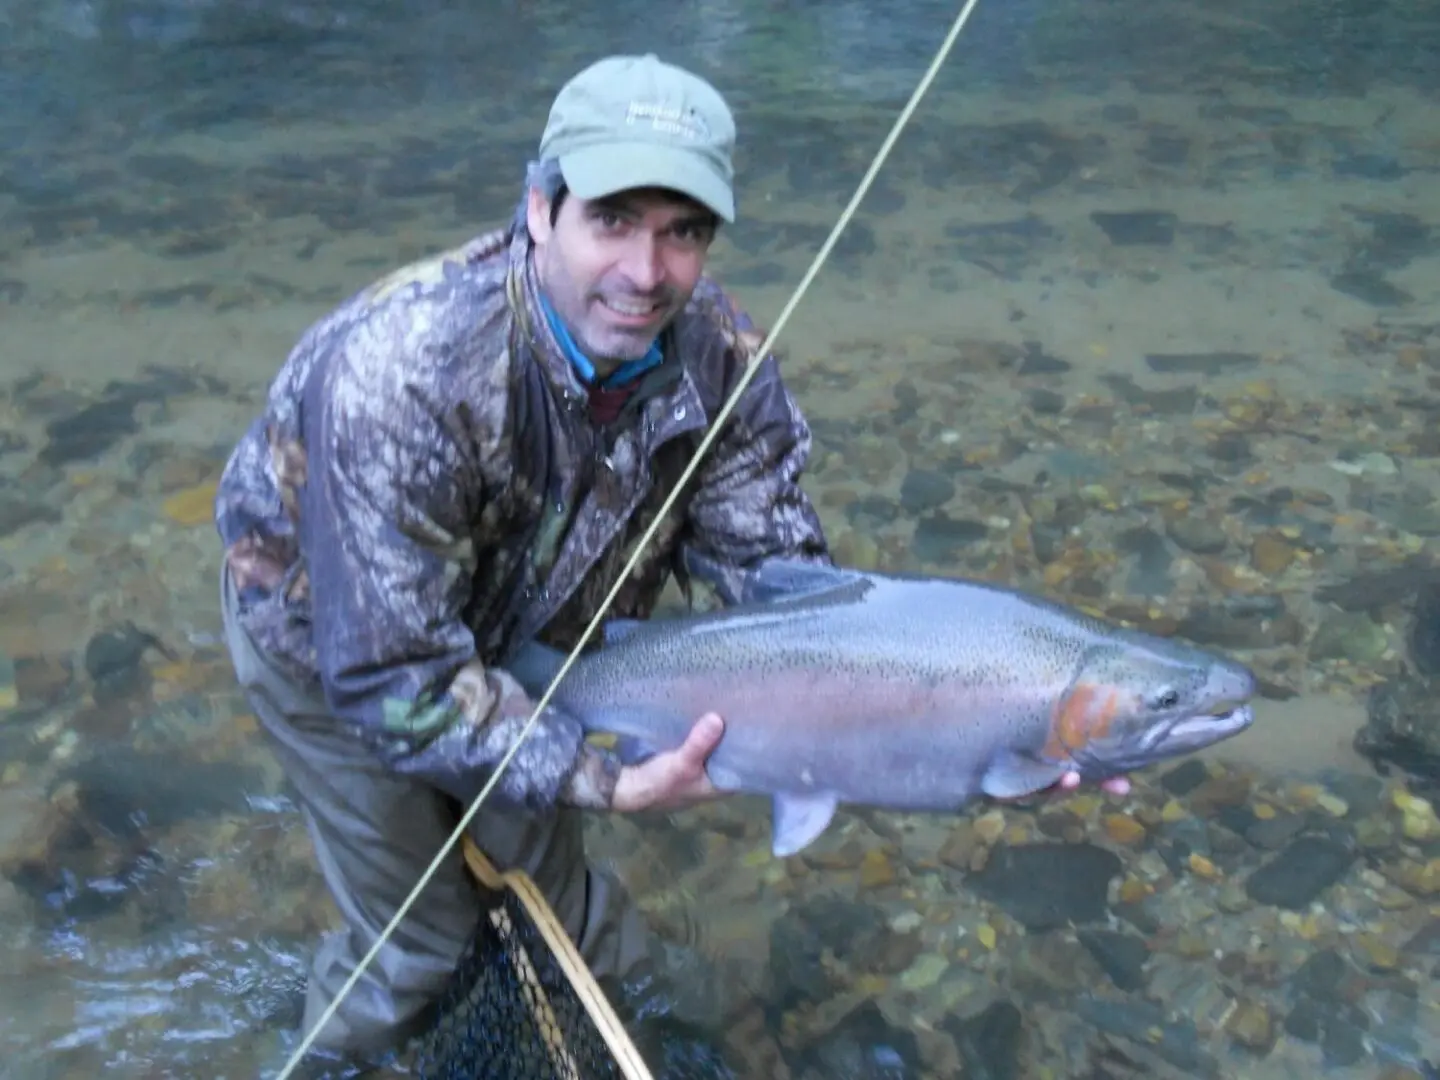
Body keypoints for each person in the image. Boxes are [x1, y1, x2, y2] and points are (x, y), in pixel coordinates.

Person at [213, 52, 1130, 1074]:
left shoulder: (721, 359)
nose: (647, 274)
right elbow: (397, 679)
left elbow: (775, 581)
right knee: (420, 948)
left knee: (565, 915)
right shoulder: (402, 375)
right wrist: (602, 780)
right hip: (333, 647)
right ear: (537, 209)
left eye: (682, 232)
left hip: (537, 637)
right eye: (613, 221)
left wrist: (986, 736)